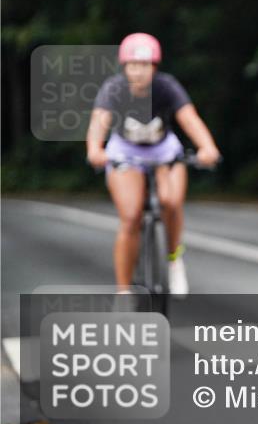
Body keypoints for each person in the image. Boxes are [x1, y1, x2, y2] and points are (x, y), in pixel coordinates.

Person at [86, 33, 220, 297]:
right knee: (131, 216)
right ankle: (123, 292)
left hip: (163, 151)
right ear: (124, 67)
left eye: (145, 65)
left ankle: (174, 259)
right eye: (133, 65)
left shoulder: (166, 86)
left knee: (171, 202)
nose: (138, 71)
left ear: (154, 67)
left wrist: (207, 147)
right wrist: (94, 149)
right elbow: (99, 120)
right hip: (126, 151)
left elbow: (189, 118)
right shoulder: (114, 88)